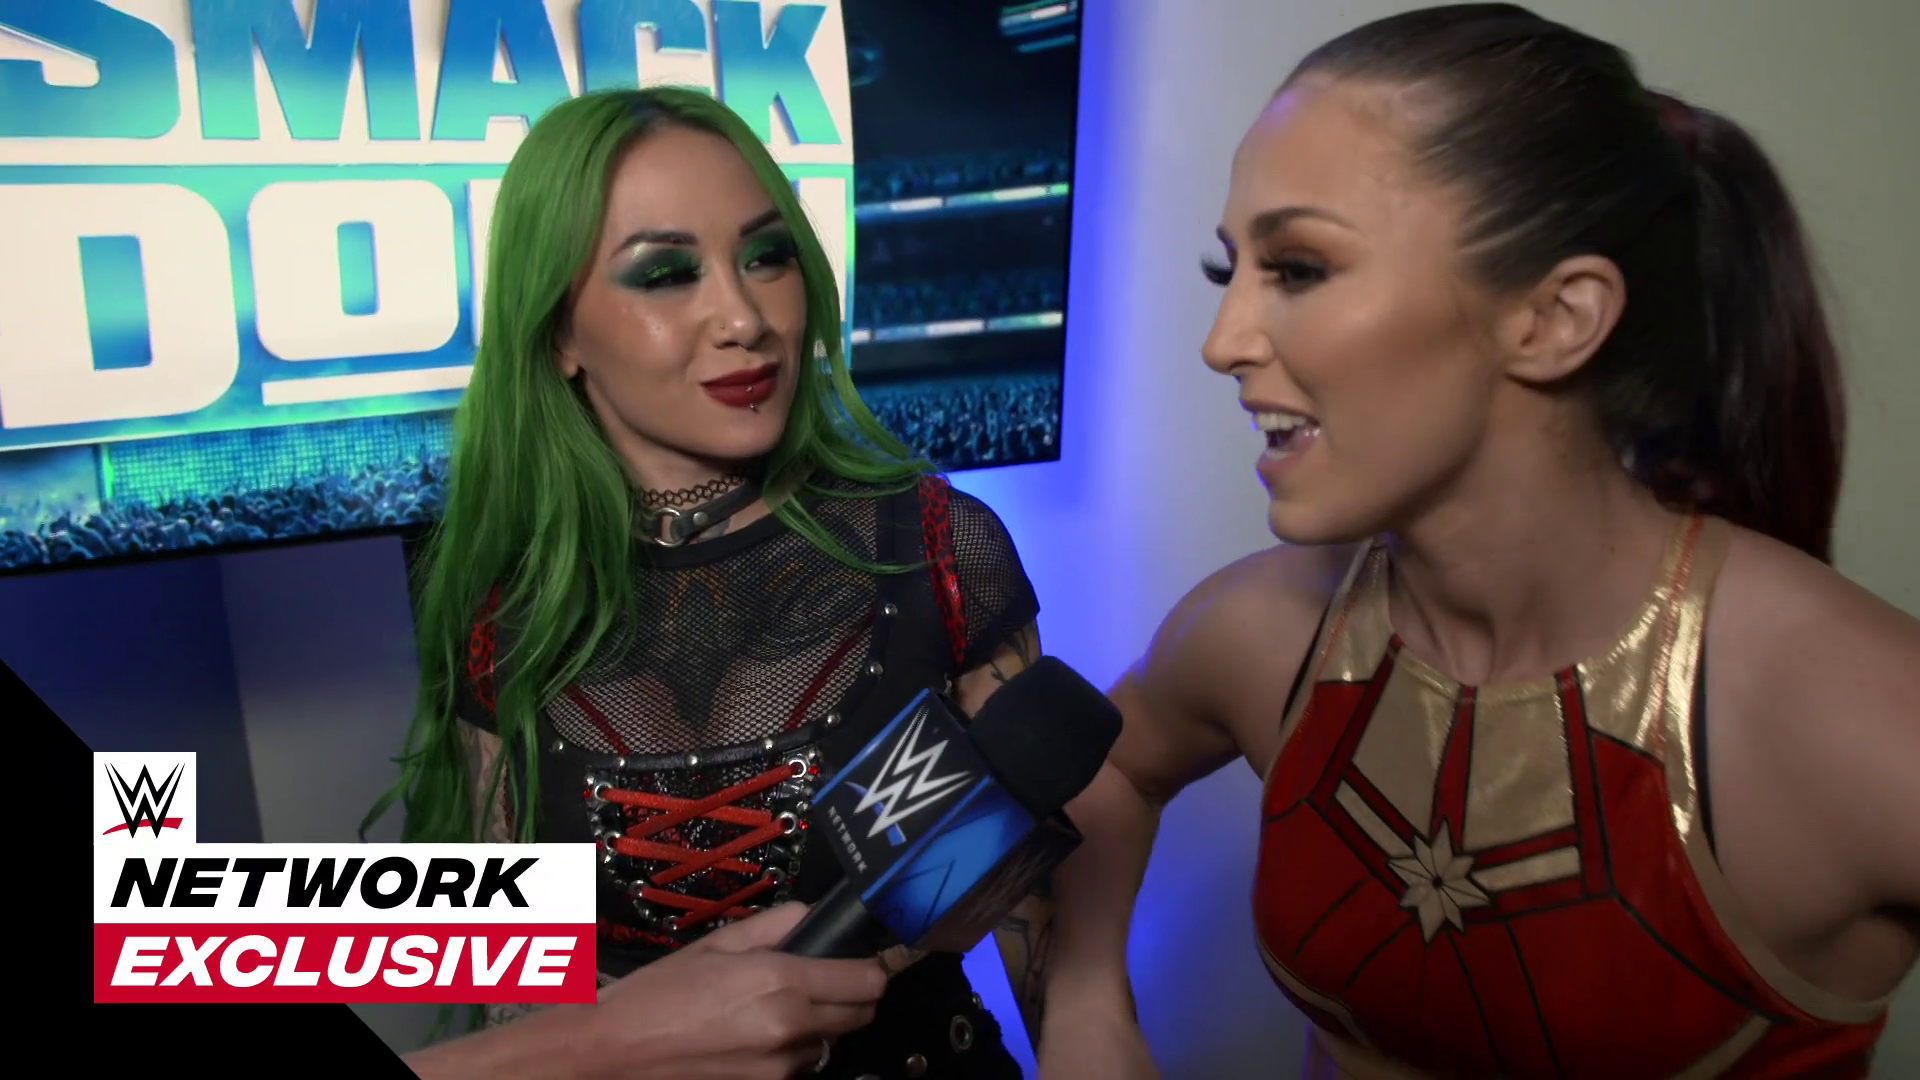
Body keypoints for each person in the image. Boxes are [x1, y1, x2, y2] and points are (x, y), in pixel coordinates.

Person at [1036, 5, 1920, 1078]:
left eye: (1300, 268)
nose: (1223, 343)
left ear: (1556, 319)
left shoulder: (1851, 718)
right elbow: (1104, 767)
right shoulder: (1262, 634)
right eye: (1233, 274)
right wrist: (1085, 1000)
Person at [362, 86, 1051, 1080]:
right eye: (666, 273)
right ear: (558, 335)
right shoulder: (499, 614)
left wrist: (1086, 1015)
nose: (744, 317)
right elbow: (517, 998)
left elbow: (1032, 916)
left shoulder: (944, 548)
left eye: (766, 256)